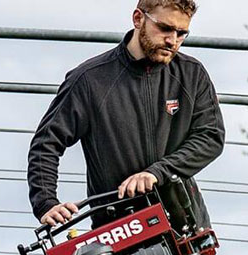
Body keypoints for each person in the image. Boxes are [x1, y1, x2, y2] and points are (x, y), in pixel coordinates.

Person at [27, 0, 224, 229]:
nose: (172, 40)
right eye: (164, 28)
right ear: (138, 18)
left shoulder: (192, 74)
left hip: (184, 221)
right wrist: (46, 202)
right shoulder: (90, 80)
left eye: (181, 33)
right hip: (118, 229)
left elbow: (211, 136)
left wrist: (156, 173)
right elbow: (46, 142)